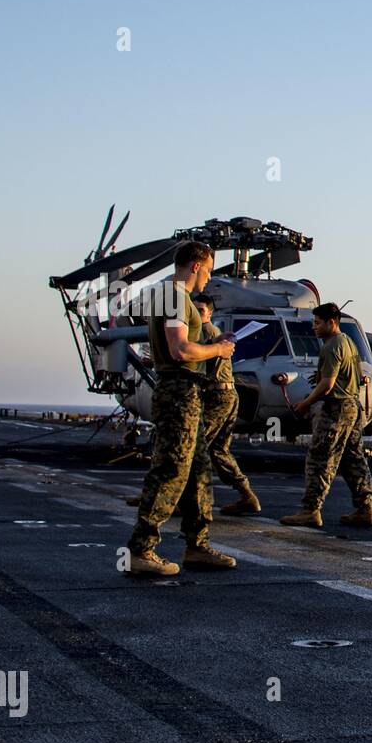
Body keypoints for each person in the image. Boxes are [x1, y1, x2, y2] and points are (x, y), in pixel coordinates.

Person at [124, 241, 238, 576]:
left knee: (199, 471)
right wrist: (217, 349)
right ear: (197, 264)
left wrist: (211, 345)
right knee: (171, 469)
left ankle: (197, 546)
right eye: (209, 269)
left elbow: (184, 346)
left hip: (189, 392)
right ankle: (140, 550)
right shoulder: (174, 297)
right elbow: (179, 350)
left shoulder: (171, 297)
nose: (209, 278)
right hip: (179, 392)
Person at [279, 302, 372, 528]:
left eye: (317, 323)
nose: (314, 327)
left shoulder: (331, 346)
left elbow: (328, 384)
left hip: (336, 408)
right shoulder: (349, 342)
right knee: (353, 458)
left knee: (319, 458)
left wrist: (305, 403)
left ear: (331, 323)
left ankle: (310, 510)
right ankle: (365, 508)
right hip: (353, 406)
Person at [193, 294, 260, 516]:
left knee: (195, 448)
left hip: (218, 397)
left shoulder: (207, 333)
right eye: (193, 310)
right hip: (227, 396)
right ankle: (246, 495)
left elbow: (197, 362)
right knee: (218, 451)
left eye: (201, 310)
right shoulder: (211, 333)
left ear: (210, 313)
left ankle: (192, 502)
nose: (196, 314)